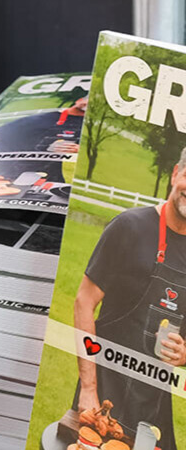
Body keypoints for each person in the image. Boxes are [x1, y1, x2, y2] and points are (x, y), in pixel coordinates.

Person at [73, 148, 186, 450]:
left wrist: (184, 355)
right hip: (104, 393)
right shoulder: (130, 227)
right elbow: (84, 302)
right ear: (176, 173)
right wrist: (88, 388)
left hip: (153, 407)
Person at [0, 96, 88, 184]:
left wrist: (80, 150)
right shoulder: (41, 119)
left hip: (51, 177)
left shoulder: (91, 128)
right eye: (88, 99)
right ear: (79, 100)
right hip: (12, 171)